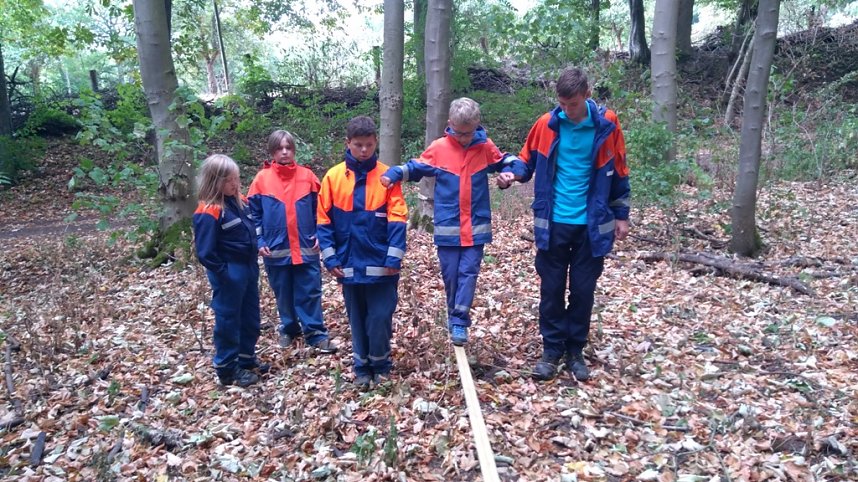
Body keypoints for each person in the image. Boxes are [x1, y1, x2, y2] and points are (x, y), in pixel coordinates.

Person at [511, 67, 630, 382]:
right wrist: (513, 173)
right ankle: (551, 350)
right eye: (562, 104)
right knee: (550, 290)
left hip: (592, 224)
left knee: (583, 290)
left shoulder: (607, 124)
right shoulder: (546, 125)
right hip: (553, 223)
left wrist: (621, 213)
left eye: (573, 104)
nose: (567, 110)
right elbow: (526, 161)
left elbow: (619, 168)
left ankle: (575, 351)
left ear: (587, 95)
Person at [381, 97, 526, 346]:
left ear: (477, 125)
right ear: (450, 125)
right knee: (451, 275)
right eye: (459, 133)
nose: (464, 138)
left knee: (468, 273)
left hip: (476, 227)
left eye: (469, 133)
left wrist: (511, 175)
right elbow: (417, 167)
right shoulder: (439, 148)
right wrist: (395, 173)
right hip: (448, 227)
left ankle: (459, 320)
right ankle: (454, 315)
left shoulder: (485, 146)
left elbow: (507, 161)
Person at [317, 116, 408, 390]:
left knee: (379, 317)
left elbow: (398, 218)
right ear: (348, 143)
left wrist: (394, 257)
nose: (364, 150)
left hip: (382, 267)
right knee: (357, 319)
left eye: (369, 144)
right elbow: (323, 221)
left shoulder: (387, 176)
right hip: (348, 265)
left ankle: (381, 366)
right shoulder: (333, 178)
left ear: (375, 142)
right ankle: (361, 368)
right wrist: (330, 257)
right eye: (358, 145)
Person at [247, 130, 337, 354]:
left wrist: (321, 233)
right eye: (280, 148)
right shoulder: (261, 180)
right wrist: (259, 240)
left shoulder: (308, 177)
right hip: (275, 249)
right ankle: (288, 328)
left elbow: (322, 209)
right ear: (272, 151)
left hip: (307, 246)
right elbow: (253, 215)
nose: (284, 152)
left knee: (310, 290)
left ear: (294, 150)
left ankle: (315, 333)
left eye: (288, 147)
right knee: (283, 292)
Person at [193, 154, 268, 387]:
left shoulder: (240, 202)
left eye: (236, 179)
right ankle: (227, 368)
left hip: (248, 267)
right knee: (228, 319)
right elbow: (205, 252)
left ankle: (246, 359)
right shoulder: (209, 210)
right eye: (229, 181)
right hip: (229, 272)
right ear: (214, 182)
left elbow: (250, 229)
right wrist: (225, 274)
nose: (235, 184)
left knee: (250, 316)